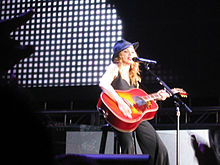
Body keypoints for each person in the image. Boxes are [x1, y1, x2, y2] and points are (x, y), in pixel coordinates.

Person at [99, 39, 170, 165]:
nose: (130, 54)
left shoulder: (134, 77)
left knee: (159, 149)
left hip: (134, 116)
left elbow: (137, 102)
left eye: (132, 51)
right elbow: (103, 83)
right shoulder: (114, 68)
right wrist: (120, 102)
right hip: (119, 114)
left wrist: (156, 97)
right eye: (126, 52)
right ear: (118, 56)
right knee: (129, 147)